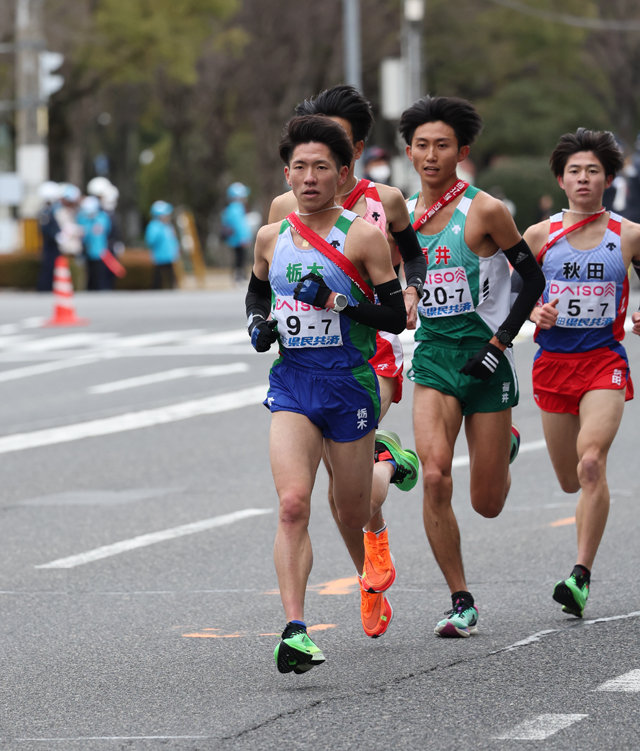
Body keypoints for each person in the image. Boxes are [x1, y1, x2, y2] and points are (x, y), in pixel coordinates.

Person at [247, 114, 408, 673]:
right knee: (294, 504)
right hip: (293, 381)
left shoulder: (362, 235)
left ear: (343, 174)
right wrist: (258, 325)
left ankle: (386, 462)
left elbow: (394, 316)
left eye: (321, 167)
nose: (309, 177)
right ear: (286, 173)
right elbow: (257, 292)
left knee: (354, 505)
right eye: (299, 167)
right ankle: (295, 630)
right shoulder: (272, 235)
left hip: (349, 383)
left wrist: (338, 303)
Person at [399, 95, 545, 637]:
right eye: (421, 146)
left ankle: (502, 448)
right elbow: (394, 283)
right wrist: (406, 301)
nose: (431, 155)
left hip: (487, 360)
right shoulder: (402, 218)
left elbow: (533, 281)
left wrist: (503, 341)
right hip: (435, 358)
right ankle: (461, 599)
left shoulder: (484, 211)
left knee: (487, 504)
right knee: (434, 476)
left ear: (461, 151)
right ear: (409, 153)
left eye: (442, 145)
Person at [523, 128, 640, 619]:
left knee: (591, 463)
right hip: (553, 364)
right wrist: (535, 312)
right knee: (570, 480)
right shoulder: (539, 235)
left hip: (603, 362)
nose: (584, 179)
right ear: (561, 179)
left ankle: (580, 576)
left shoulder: (628, 235)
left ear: (608, 179)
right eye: (575, 171)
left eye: (593, 170)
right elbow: (511, 296)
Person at [76, 195, 112, 291]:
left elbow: (106, 231)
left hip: (100, 252)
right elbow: (82, 234)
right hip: (87, 251)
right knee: (89, 276)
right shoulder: (82, 218)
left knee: (100, 276)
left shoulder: (102, 218)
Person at [221, 182, 252, 283]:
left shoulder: (230, 208)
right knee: (240, 258)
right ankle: (239, 277)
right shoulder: (237, 208)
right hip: (239, 239)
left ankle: (238, 276)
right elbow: (240, 226)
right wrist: (244, 238)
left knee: (237, 258)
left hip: (234, 239)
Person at [145, 200, 180, 289]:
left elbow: (172, 240)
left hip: (170, 256)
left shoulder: (168, 226)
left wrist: (176, 250)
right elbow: (150, 240)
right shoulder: (154, 226)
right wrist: (160, 231)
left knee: (171, 277)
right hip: (159, 257)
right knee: (158, 278)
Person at [36, 181, 62, 292]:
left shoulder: (50, 211)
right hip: (49, 243)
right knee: (49, 266)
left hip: (53, 243)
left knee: (53, 266)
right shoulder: (45, 212)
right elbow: (45, 229)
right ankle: (44, 288)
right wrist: (56, 235)